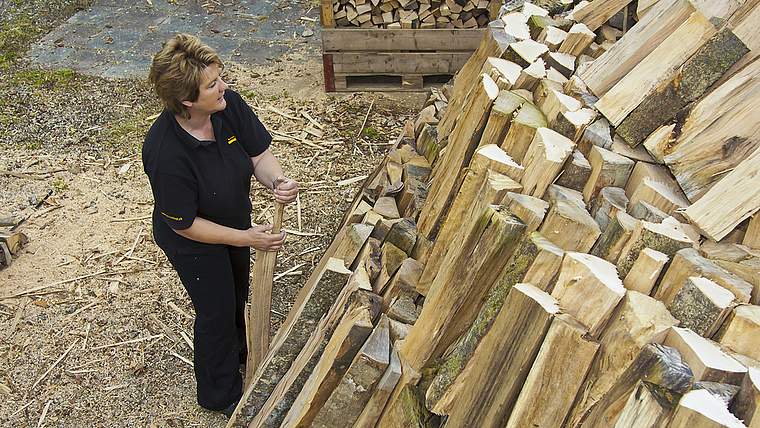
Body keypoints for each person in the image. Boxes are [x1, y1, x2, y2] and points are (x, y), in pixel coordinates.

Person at [141, 33, 298, 417]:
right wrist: (246, 238)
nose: (223, 86)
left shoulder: (228, 107)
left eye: (219, 77)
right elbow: (183, 225)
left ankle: (241, 353)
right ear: (186, 100)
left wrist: (277, 180)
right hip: (192, 239)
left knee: (237, 291)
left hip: (234, 222)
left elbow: (260, 155)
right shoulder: (165, 150)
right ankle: (220, 395)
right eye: (212, 84)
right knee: (215, 310)